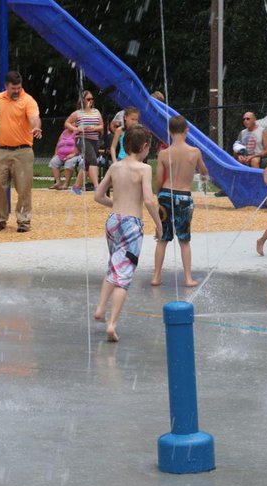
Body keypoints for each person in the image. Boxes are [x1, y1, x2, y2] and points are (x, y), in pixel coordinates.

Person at [93, 124, 162, 342]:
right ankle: (112, 323)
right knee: (124, 275)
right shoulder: (144, 169)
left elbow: (98, 196)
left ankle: (101, 308)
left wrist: (116, 204)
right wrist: (160, 226)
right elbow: (149, 201)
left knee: (114, 264)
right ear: (144, 147)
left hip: (113, 221)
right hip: (132, 225)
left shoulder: (115, 167)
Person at [150, 115, 208, 288]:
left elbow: (159, 180)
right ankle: (188, 278)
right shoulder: (195, 152)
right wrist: (203, 176)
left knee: (162, 238)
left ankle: (156, 276)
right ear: (187, 130)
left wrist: (159, 196)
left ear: (169, 131)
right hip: (184, 197)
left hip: (166, 195)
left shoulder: (163, 153)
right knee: (184, 240)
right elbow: (204, 171)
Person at [0, 71, 42, 233]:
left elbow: (34, 117)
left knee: (24, 187)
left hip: (23, 151)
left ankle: (23, 221)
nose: (17, 91)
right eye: (13, 88)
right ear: (6, 86)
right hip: (1, 150)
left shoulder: (28, 100)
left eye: (19, 88)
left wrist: (36, 127)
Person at [65, 90, 104, 193]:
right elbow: (67, 123)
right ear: (82, 100)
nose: (90, 101)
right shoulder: (78, 113)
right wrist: (75, 129)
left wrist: (94, 128)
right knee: (93, 160)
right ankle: (97, 186)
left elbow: (101, 126)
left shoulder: (96, 111)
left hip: (94, 139)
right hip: (82, 139)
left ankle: (76, 186)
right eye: (88, 99)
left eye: (92, 99)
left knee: (87, 163)